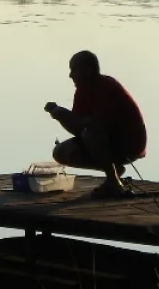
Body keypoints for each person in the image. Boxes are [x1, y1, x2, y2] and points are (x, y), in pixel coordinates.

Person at [45, 51, 147, 199]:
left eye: (74, 69)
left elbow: (96, 126)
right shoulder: (81, 91)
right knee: (61, 152)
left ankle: (113, 182)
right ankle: (114, 170)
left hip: (129, 145)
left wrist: (66, 114)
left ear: (88, 70)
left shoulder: (107, 87)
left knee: (91, 133)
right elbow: (78, 130)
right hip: (108, 141)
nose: (70, 75)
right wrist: (61, 117)